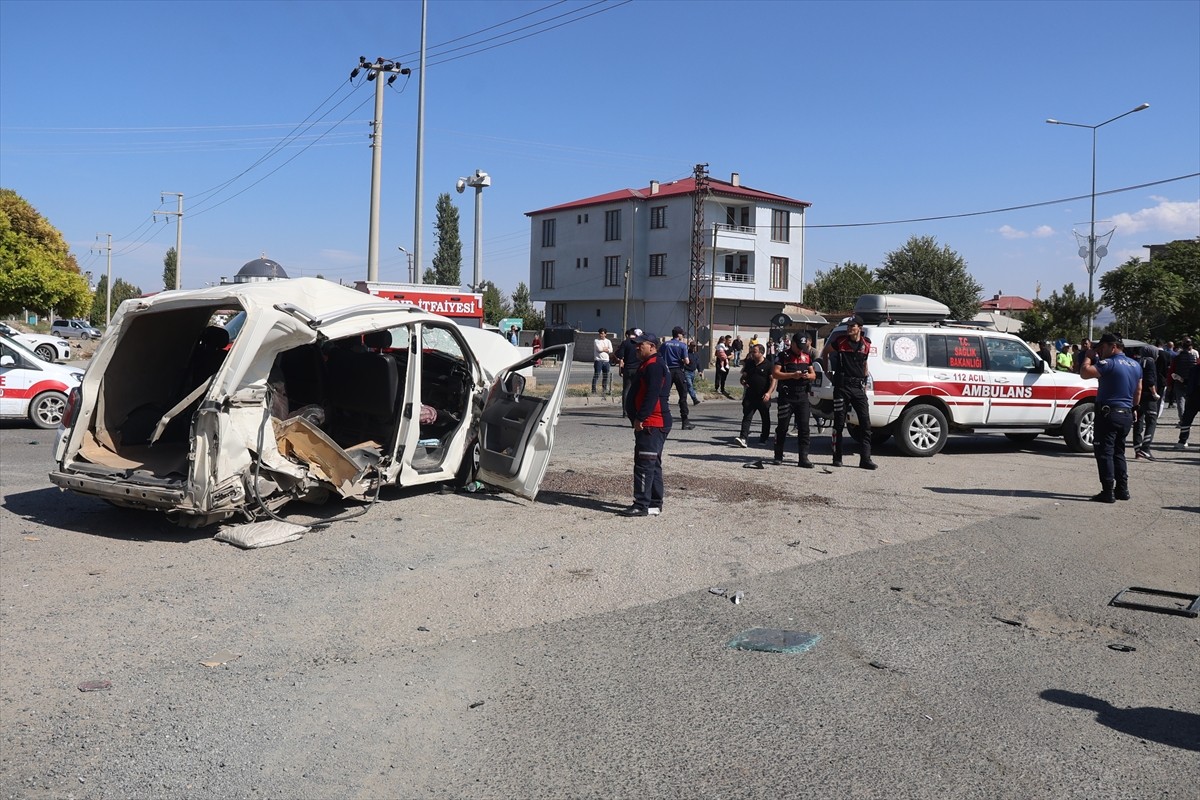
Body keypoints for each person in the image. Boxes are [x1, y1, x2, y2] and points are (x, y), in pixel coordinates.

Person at [1080, 333, 1141, 503]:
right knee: (1119, 452)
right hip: (1127, 413)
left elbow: (1084, 373)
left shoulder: (1109, 364)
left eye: (1103, 347)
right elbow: (1138, 390)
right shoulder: (1135, 365)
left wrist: (1088, 357)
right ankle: (1122, 489)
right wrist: (1135, 408)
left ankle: (1108, 491)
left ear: (1113, 346)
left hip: (1108, 414)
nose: (1101, 351)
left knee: (1104, 453)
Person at [620, 331, 672, 517]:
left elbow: (652, 394)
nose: (636, 347)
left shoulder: (655, 365)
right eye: (636, 344)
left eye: (640, 344)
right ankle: (654, 503)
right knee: (652, 463)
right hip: (651, 422)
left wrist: (640, 418)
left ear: (652, 346)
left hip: (652, 423)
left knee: (644, 464)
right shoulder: (648, 364)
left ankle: (641, 504)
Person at [821, 317, 877, 469]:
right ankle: (837, 457)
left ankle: (865, 459)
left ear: (860, 327)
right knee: (839, 423)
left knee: (865, 423)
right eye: (848, 326)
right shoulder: (840, 341)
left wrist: (865, 380)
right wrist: (827, 372)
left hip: (858, 387)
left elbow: (864, 362)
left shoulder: (866, 343)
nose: (849, 328)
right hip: (842, 387)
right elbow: (825, 352)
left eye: (852, 326)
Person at [771, 332, 817, 468]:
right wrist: (792, 375)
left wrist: (808, 376)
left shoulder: (806, 356)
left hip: (802, 396)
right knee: (782, 427)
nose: (800, 349)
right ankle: (778, 456)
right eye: (799, 346)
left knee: (804, 428)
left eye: (803, 346)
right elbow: (775, 373)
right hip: (787, 396)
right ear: (793, 343)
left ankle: (803, 458)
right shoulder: (783, 356)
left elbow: (813, 375)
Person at [735, 343, 775, 448]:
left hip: (763, 396)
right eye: (752, 351)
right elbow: (744, 376)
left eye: (755, 352)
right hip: (750, 395)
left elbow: (773, 380)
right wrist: (743, 380)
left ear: (761, 353)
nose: (752, 354)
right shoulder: (749, 363)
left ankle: (764, 438)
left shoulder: (768, 364)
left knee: (765, 418)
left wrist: (769, 393)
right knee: (747, 417)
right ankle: (743, 438)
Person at [659, 326, 694, 430]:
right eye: (682, 334)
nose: (683, 336)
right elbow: (686, 361)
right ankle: (685, 421)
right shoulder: (682, 346)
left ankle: (662, 418)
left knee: (664, 396)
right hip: (678, 371)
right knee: (682, 396)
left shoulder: (665, 344)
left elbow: (659, 356)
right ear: (678, 335)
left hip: (667, 371)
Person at [1131, 345, 1161, 460]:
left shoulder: (1137, 361)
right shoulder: (1150, 362)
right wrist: (1154, 393)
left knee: (1138, 422)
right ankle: (1146, 448)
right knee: (1151, 421)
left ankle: (1137, 450)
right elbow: (1150, 380)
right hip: (1149, 397)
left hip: (1138, 395)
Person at [1172, 338, 1199, 450]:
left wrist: (1180, 379)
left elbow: (1189, 382)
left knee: (1187, 420)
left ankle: (1182, 441)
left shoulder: (1195, 369)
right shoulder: (1194, 366)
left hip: (1193, 397)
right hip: (1194, 395)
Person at [591, 327, 613, 395]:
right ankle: (594, 390)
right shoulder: (596, 341)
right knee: (596, 375)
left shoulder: (608, 341)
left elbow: (611, 350)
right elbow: (599, 349)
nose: (601, 335)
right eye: (600, 333)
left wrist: (606, 349)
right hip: (598, 360)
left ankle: (604, 390)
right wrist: (606, 349)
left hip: (606, 361)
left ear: (605, 334)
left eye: (602, 333)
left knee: (605, 376)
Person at [683, 340, 702, 405]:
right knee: (689, 385)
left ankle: (682, 399)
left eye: (694, 346)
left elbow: (698, 363)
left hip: (693, 372)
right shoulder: (686, 353)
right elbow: (683, 361)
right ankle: (694, 399)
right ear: (689, 346)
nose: (693, 347)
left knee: (686, 387)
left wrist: (700, 371)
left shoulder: (696, 354)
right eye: (692, 346)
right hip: (687, 372)